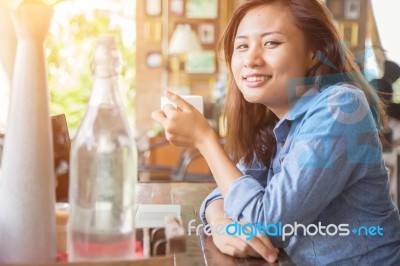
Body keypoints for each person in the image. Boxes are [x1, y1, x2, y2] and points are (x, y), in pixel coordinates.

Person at [152, 0, 400, 264]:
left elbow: (268, 223)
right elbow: (227, 191)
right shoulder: (274, 120)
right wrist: (223, 223)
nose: (251, 59)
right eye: (242, 46)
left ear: (314, 52)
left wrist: (204, 139)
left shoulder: (340, 106)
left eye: (271, 43)